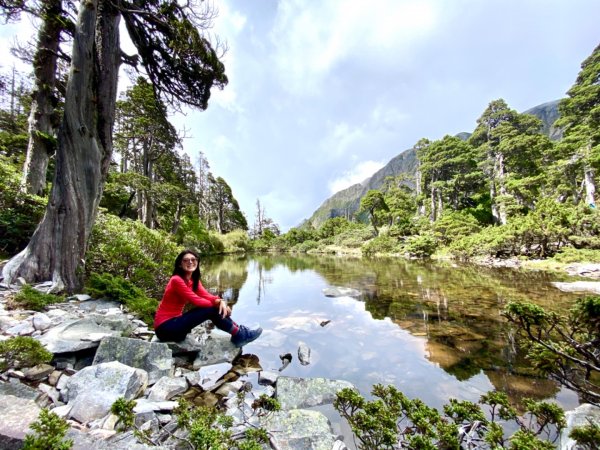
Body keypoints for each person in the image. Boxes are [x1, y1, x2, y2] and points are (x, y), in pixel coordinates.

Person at [154, 249, 262, 348]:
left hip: (176, 325)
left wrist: (221, 301)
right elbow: (196, 300)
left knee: (214, 308)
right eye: (186, 260)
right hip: (165, 328)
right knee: (212, 310)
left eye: (193, 259)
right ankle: (240, 335)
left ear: (197, 261)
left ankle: (238, 331)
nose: (190, 262)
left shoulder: (193, 280)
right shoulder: (176, 280)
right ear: (180, 264)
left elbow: (206, 296)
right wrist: (219, 304)